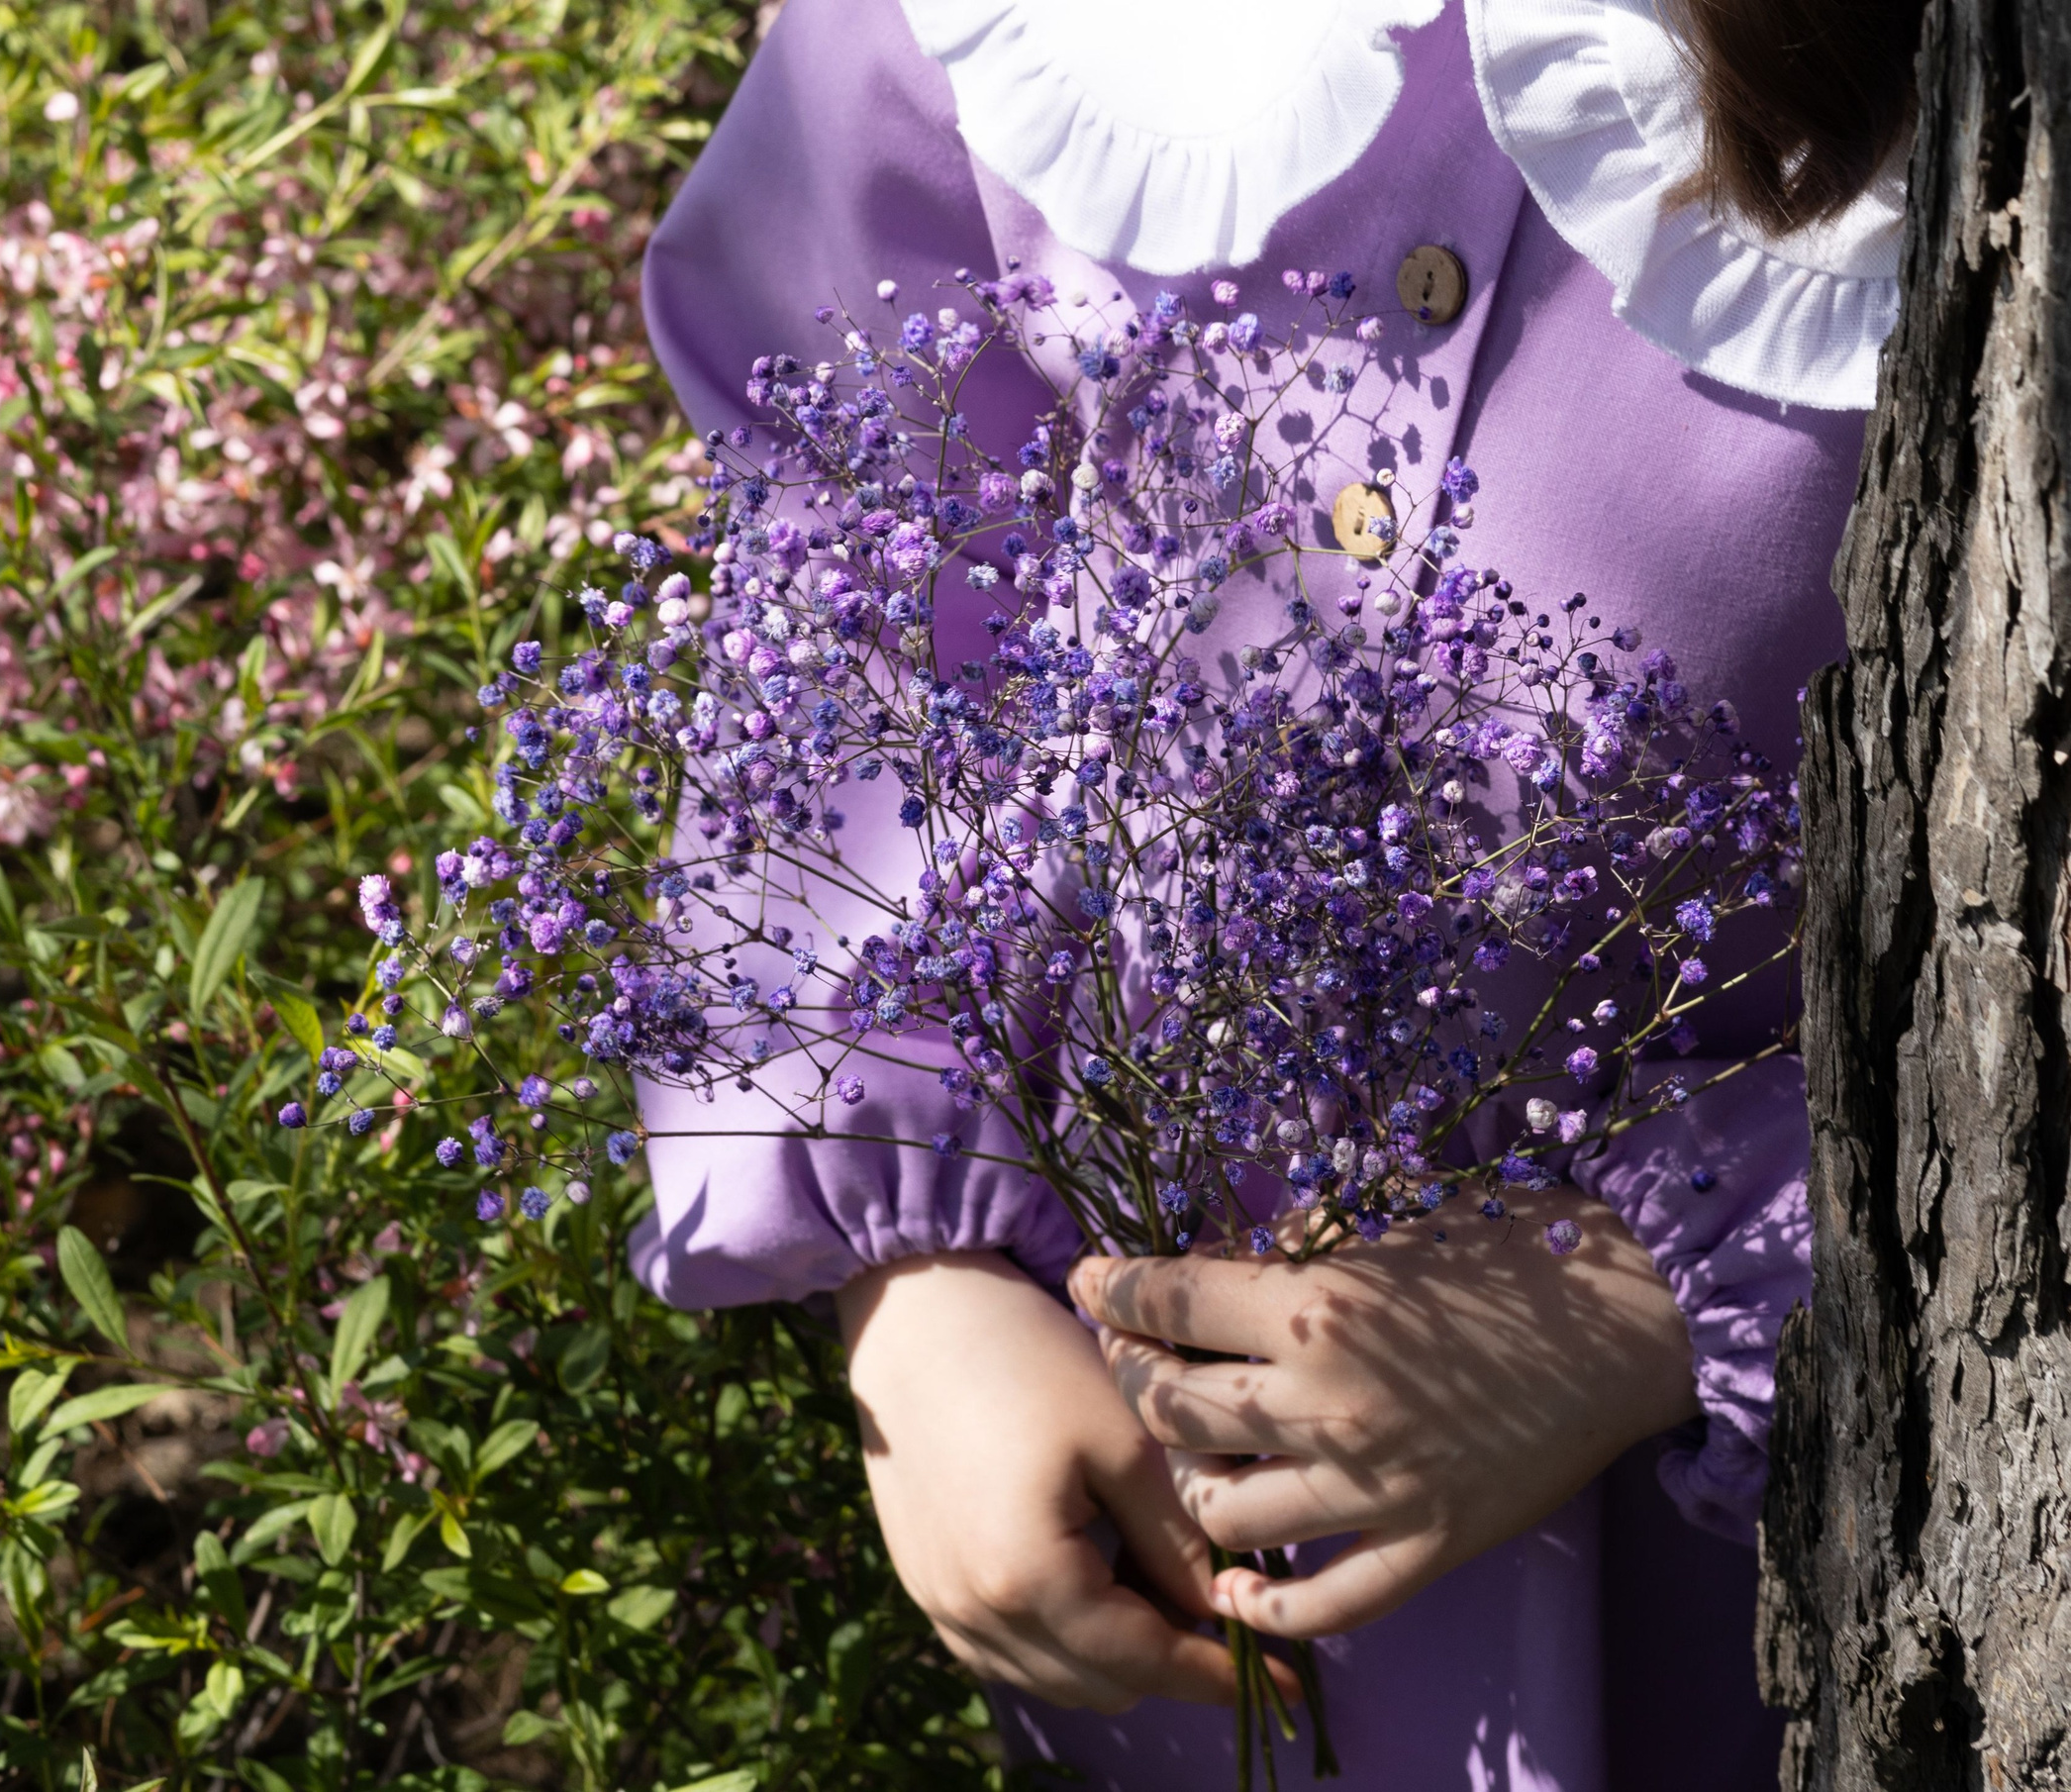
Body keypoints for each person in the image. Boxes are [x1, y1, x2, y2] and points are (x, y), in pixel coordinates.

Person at [631, 0, 1921, 1784]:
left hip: (1786, 1563)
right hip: (1142, 1503)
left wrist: (1671, 1280)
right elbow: (857, 496)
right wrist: (915, 1273)